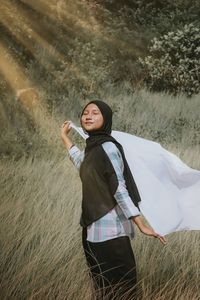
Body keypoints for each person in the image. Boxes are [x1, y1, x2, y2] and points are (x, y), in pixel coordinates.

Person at [61, 100, 167, 300]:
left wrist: (141, 224)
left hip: (111, 231)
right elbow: (81, 163)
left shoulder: (107, 147)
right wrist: (64, 138)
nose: (88, 116)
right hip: (92, 232)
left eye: (95, 113)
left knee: (122, 289)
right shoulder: (93, 148)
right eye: (85, 113)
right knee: (104, 288)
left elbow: (119, 188)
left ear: (106, 119)